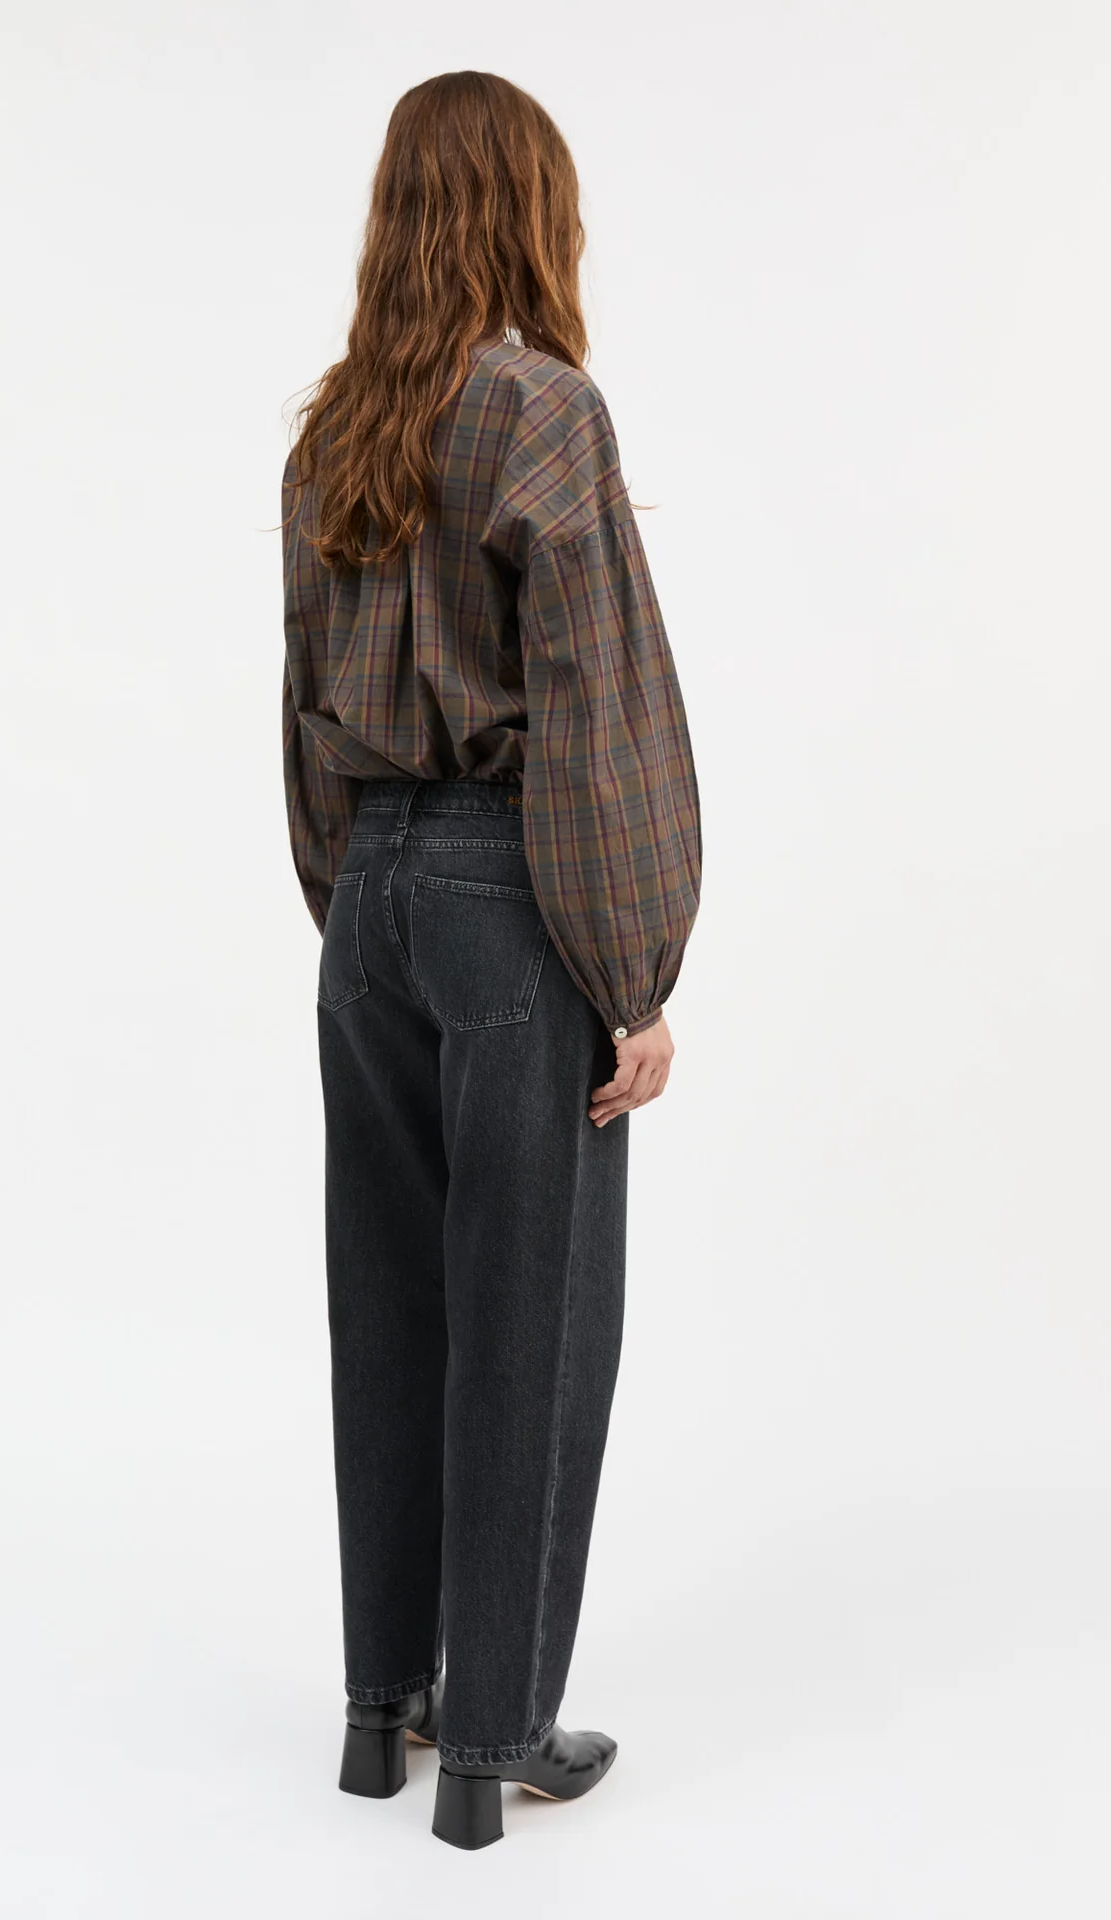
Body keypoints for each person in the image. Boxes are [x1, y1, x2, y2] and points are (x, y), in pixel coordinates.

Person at [280, 70, 702, 1851]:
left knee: (388, 1307)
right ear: (531, 209)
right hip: (510, 895)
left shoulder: (333, 434)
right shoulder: (543, 409)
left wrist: (355, 910)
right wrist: (636, 971)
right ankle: (497, 1738)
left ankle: (381, 1710)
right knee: (531, 1313)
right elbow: (603, 716)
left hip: (367, 903)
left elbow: (300, 716)